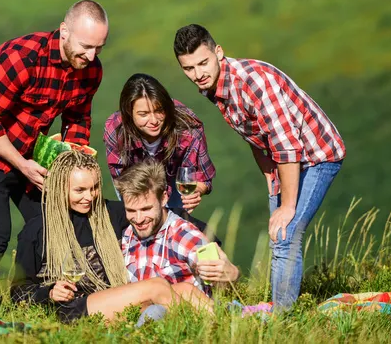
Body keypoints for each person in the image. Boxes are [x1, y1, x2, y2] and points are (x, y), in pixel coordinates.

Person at [173, 24, 346, 308]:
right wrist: (270, 180)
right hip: (284, 160)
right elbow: (255, 136)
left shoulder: (254, 83)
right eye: (188, 68)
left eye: (203, 63)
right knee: (277, 233)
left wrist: (287, 205)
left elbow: (287, 145)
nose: (198, 74)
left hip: (318, 154)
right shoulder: (215, 86)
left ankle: (283, 320)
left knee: (286, 232)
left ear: (218, 52)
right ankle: (282, 309)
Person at [0, 0, 109, 314]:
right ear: (64, 31)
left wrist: (71, 164)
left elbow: (78, 120)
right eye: (85, 46)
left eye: (99, 47)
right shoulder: (21, 59)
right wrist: (23, 165)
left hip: (31, 158)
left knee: (52, 225)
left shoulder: (90, 70)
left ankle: (39, 301)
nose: (91, 56)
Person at [11, 151, 211, 323]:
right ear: (60, 188)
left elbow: (164, 214)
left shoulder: (110, 213)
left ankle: (225, 324)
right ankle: (195, 328)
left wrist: (211, 246)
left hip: (116, 300)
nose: (89, 197)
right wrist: (50, 292)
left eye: (94, 188)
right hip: (71, 310)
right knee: (156, 286)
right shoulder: (37, 229)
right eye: (79, 190)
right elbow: (17, 292)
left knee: (186, 290)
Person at [115, 159, 239, 295]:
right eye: (131, 211)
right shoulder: (127, 235)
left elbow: (221, 288)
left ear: (163, 199)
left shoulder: (184, 235)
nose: (138, 219)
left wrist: (231, 275)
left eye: (146, 209)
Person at [104, 73, 216, 212]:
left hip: (174, 176)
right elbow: (121, 176)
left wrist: (196, 191)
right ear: (129, 112)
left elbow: (201, 176)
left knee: (173, 221)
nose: (154, 121)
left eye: (159, 111)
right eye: (143, 114)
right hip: (133, 178)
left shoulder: (188, 129)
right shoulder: (115, 130)